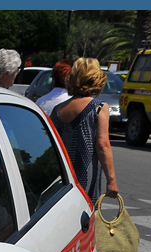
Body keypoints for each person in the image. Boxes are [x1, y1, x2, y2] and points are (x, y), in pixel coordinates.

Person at [50, 57, 119, 206]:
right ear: (97, 79)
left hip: (61, 179)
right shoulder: (98, 108)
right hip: (84, 180)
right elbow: (102, 145)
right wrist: (111, 180)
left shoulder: (57, 110)